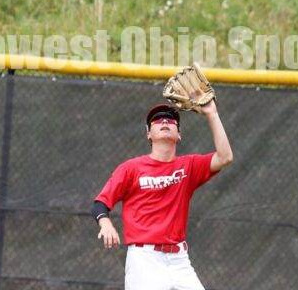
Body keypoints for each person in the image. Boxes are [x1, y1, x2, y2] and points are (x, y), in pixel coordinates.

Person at [91, 101, 233, 290]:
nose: (165, 121)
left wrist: (212, 113)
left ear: (179, 135)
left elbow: (225, 157)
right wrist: (105, 222)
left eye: (172, 120)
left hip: (180, 260)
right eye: (157, 120)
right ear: (148, 134)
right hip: (145, 261)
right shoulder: (131, 168)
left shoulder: (188, 166)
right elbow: (100, 204)